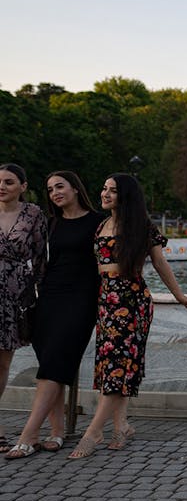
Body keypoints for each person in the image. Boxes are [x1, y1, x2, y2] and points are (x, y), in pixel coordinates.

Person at [67, 173, 187, 459]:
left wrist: (178, 295)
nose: (105, 194)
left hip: (132, 301)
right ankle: (121, 426)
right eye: (104, 188)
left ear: (125, 195)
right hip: (105, 302)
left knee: (119, 364)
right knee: (112, 364)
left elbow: (160, 262)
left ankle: (94, 432)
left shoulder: (141, 227)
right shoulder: (101, 225)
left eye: (112, 191)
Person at [6, 171, 103, 459]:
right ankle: (57, 431)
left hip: (82, 300)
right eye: (50, 189)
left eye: (60, 186)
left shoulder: (99, 222)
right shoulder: (51, 223)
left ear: (75, 188)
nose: (55, 193)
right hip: (48, 298)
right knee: (52, 363)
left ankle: (28, 434)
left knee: (54, 363)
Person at [0, 164, 48, 454]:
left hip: (16, 295)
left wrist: (42, 294)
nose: (2, 186)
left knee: (3, 362)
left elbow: (41, 257)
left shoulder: (33, 214)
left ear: (23, 186)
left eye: (9, 181)